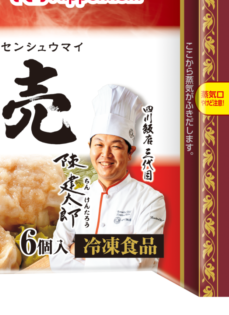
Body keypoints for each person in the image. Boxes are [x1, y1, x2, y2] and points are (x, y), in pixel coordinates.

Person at [50, 85, 166, 273]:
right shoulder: (75, 198)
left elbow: (139, 263)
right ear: (89, 147)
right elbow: (56, 258)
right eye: (99, 145)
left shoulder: (150, 200)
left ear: (130, 152)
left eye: (116, 146)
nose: (105, 154)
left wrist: (80, 248)